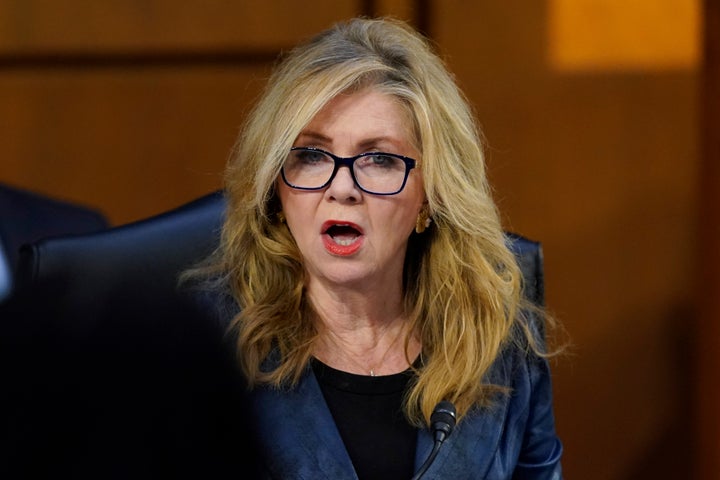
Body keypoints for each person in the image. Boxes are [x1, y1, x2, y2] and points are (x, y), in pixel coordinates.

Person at [189, 16, 563, 479]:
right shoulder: (201, 347)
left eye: (379, 159)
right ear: (275, 190)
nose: (342, 188)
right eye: (310, 155)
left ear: (430, 195)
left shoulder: (499, 339)